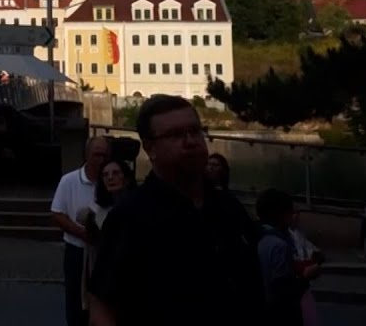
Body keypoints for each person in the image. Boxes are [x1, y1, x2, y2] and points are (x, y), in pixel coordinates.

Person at [89, 95, 263, 326]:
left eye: (195, 131)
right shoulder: (130, 217)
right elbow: (103, 307)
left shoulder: (229, 208)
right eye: (175, 135)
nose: (190, 141)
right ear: (150, 148)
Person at [51, 136, 110, 326]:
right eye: (97, 155)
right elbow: (57, 214)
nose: (101, 160)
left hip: (105, 252)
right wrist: (82, 233)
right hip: (77, 250)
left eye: (105, 155)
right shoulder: (69, 181)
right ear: (86, 155)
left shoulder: (112, 178)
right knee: (76, 302)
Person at [80, 159, 135, 312]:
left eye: (115, 173)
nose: (110, 178)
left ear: (126, 177)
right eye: (105, 175)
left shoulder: (137, 207)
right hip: (104, 278)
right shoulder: (97, 212)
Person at [255, 189, 316, 326]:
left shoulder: (256, 237)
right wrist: (305, 277)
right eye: (291, 212)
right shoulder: (278, 245)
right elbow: (283, 291)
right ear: (282, 215)